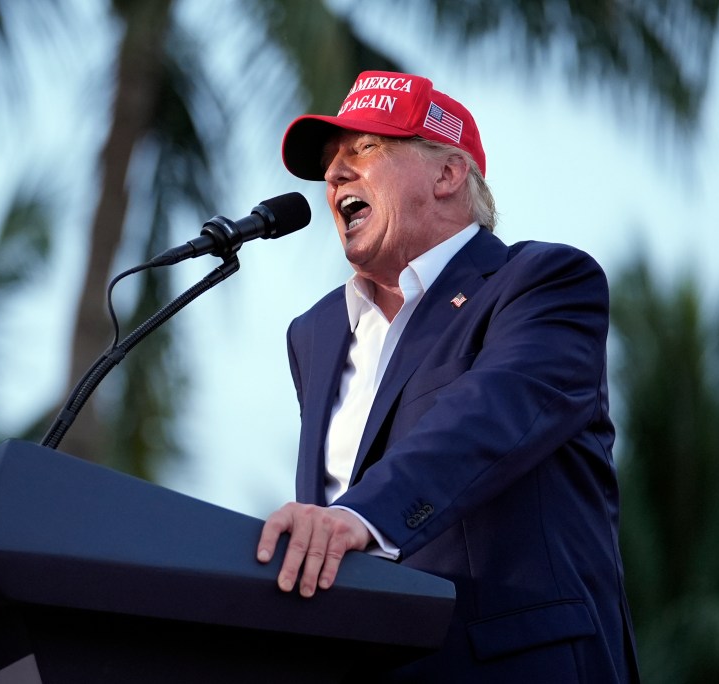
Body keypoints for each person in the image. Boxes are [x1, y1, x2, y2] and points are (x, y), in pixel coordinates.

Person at [255, 71, 640, 682]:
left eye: (365, 149)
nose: (334, 175)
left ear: (447, 174)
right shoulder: (315, 334)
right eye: (331, 162)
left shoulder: (544, 282)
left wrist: (360, 517)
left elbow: (489, 415)